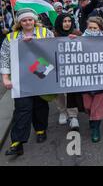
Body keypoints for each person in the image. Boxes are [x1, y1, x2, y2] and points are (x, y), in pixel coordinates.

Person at [1, 8, 54, 156]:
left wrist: (35, 43)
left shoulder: (45, 33)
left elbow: (55, 48)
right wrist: (5, 78)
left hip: (41, 75)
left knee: (40, 104)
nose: (27, 22)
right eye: (24, 20)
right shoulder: (11, 37)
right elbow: (4, 58)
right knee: (22, 109)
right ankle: (17, 142)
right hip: (21, 79)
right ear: (19, 22)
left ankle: (40, 130)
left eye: (30, 19)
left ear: (34, 20)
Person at [53, 13, 82, 131]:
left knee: (72, 91)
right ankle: (62, 112)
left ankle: (73, 115)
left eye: (69, 21)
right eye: (64, 21)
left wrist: (77, 40)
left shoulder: (77, 33)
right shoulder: (53, 35)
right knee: (59, 91)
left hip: (73, 67)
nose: (67, 23)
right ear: (60, 23)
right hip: (58, 67)